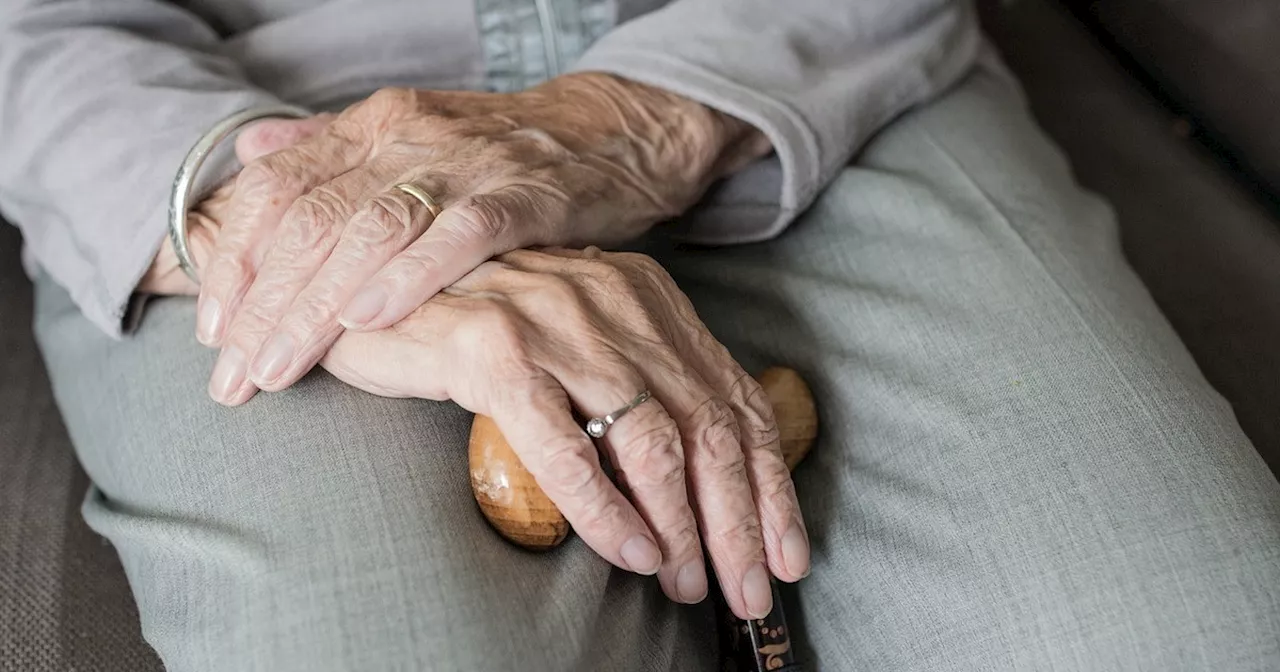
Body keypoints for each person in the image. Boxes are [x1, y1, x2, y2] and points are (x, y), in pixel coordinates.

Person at [2, 0, 1277, 669]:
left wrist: (626, 119)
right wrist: (286, 220)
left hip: (805, 68)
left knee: (1186, 634)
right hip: (239, 128)